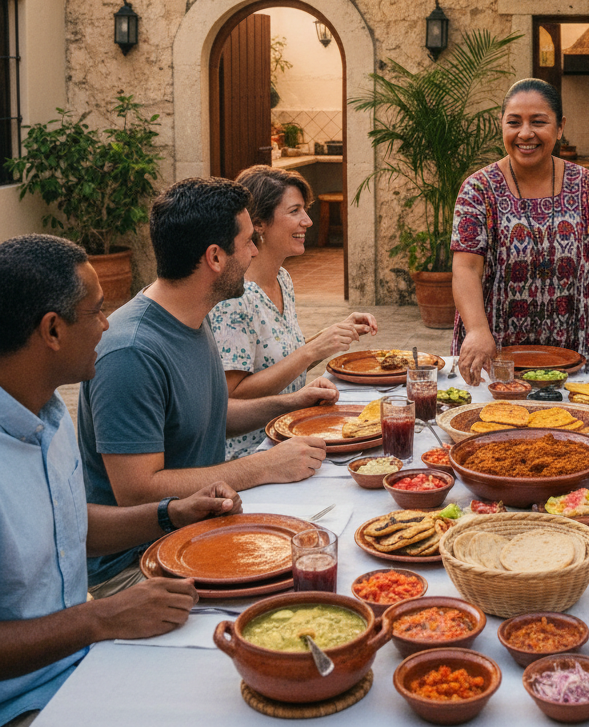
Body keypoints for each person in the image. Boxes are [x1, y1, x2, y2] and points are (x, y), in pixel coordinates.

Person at [0, 234, 242, 727]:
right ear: (52, 331)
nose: (108, 324)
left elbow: (65, 527)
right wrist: (102, 618)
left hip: (83, 661)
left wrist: (171, 513)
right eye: (96, 311)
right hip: (24, 704)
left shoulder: (47, 412)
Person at [78, 177, 338, 597]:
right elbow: (137, 490)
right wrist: (262, 467)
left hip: (198, 536)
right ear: (215, 257)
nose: (255, 251)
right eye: (249, 241)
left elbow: (206, 415)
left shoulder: (194, 315)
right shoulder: (131, 352)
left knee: (324, 551)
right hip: (138, 568)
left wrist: (290, 403)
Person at [451, 78, 589, 385]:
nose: (525, 133)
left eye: (538, 122)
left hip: (571, 355)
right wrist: (478, 330)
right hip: (495, 358)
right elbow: (466, 268)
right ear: (502, 126)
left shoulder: (587, 185)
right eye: (514, 122)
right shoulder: (479, 189)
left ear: (559, 127)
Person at [210, 165, 377, 459]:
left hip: (291, 431)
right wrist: (312, 352)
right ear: (259, 223)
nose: (308, 221)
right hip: (254, 452)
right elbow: (232, 395)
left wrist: (334, 334)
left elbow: (280, 359)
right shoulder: (235, 297)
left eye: (306, 210)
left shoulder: (282, 279)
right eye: (295, 211)